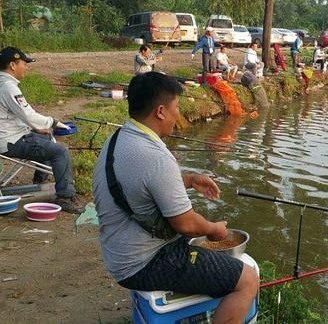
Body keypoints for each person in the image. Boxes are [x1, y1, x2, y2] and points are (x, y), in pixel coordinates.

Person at [92, 72, 258, 323]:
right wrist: (215, 230)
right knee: (247, 280)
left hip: (117, 252)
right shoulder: (156, 157)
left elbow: (141, 186)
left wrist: (189, 179)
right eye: (176, 108)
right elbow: (187, 225)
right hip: (143, 263)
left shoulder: (118, 139)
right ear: (160, 111)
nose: (177, 115)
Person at [0, 47, 83, 214]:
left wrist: (40, 127)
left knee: (43, 136)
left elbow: (20, 116)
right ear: (12, 65)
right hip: (10, 141)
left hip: (10, 135)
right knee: (61, 151)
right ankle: (65, 196)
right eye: (24, 63)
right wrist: (54, 122)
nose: (26, 67)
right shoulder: (8, 87)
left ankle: (39, 181)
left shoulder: (4, 84)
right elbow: (28, 115)